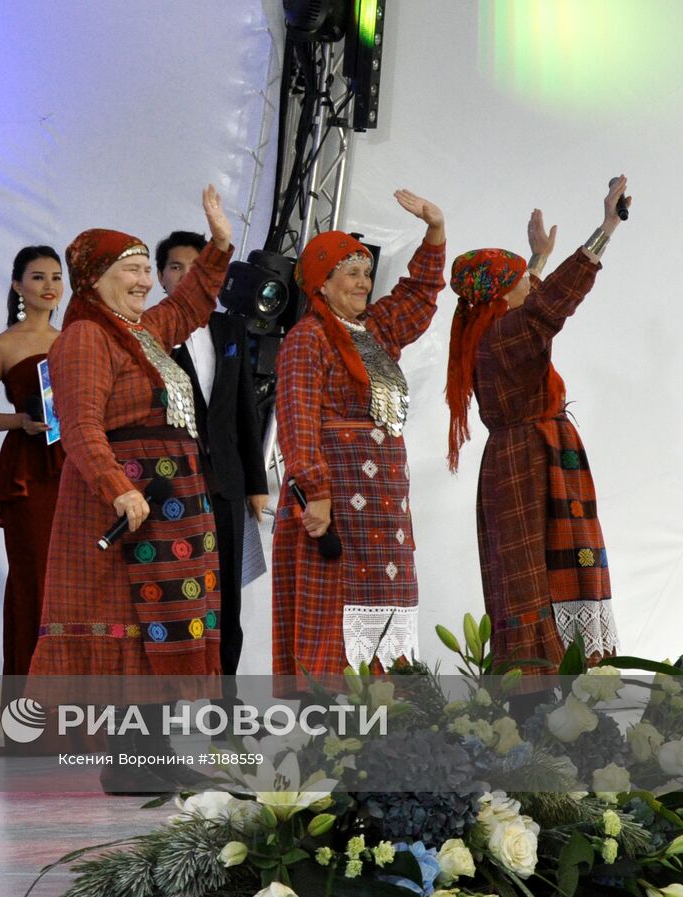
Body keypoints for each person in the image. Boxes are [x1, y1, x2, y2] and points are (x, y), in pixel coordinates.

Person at [30, 186, 231, 681]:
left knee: (170, 624)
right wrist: (118, 488)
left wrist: (220, 244)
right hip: (126, 506)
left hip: (171, 506)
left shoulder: (142, 332)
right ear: (95, 279)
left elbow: (187, 306)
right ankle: (121, 733)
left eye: (146, 270)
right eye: (132, 270)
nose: (145, 281)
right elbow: (80, 425)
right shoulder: (86, 337)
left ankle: (159, 730)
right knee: (127, 621)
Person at [444, 179, 628, 671]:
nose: (531, 282)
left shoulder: (489, 330)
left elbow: (532, 302)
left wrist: (537, 259)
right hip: (530, 464)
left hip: (523, 458)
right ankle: (547, 688)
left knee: (528, 577)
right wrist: (606, 227)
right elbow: (549, 307)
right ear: (503, 294)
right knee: (533, 578)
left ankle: (549, 683)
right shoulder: (506, 335)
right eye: (521, 279)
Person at [270, 191, 446, 689]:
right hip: (336, 501)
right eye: (351, 272)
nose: (364, 282)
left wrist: (435, 230)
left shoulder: (375, 330)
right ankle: (331, 723)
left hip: (384, 508)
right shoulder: (307, 338)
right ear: (321, 283)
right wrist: (316, 492)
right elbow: (297, 420)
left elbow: (418, 295)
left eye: (367, 272)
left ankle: (388, 714)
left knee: (386, 614)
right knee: (334, 613)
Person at [164, 231, 269, 673]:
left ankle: (226, 703)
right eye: (176, 267)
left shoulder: (230, 328)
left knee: (227, 598)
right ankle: (168, 703)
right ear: (160, 277)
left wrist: (256, 483)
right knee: (174, 597)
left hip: (226, 482)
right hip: (171, 483)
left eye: (196, 267)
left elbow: (245, 408)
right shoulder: (149, 332)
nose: (187, 276)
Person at [0, 246, 67, 676]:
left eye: (56, 277)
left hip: (73, 466)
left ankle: (73, 691)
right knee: (34, 577)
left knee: (72, 580)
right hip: (30, 470)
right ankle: (28, 688)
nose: (49, 286)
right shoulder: (3, 345)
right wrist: (19, 421)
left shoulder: (73, 339)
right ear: (18, 285)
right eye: (38, 277)